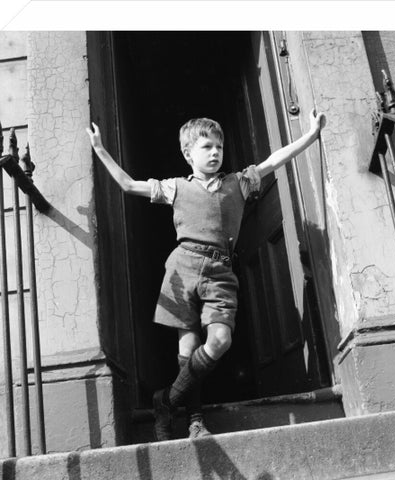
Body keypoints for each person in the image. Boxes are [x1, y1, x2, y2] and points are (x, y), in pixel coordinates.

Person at [86, 108, 325, 441]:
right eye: (206, 147)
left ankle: (165, 400)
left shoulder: (239, 183)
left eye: (218, 147)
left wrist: (311, 135)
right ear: (188, 154)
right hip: (182, 269)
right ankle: (195, 422)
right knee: (187, 350)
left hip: (220, 272)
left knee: (220, 340)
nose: (214, 152)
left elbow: (276, 159)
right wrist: (99, 149)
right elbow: (128, 185)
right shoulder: (175, 188)